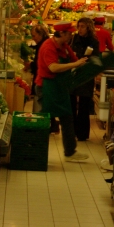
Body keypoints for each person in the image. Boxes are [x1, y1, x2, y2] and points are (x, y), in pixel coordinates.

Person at [36, 22, 89, 161]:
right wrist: (75, 64)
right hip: (46, 87)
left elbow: (75, 61)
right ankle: (37, 151)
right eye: (69, 33)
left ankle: (70, 152)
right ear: (62, 33)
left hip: (60, 87)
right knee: (44, 120)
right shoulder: (48, 47)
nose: (72, 35)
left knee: (67, 117)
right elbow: (53, 67)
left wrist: (85, 65)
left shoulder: (65, 47)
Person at [71, 17, 100, 142]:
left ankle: (82, 134)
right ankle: (71, 131)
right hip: (73, 73)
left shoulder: (94, 41)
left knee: (84, 104)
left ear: (88, 27)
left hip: (86, 75)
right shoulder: (74, 39)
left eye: (82, 26)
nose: (80, 29)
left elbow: (96, 58)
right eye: (78, 26)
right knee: (71, 103)